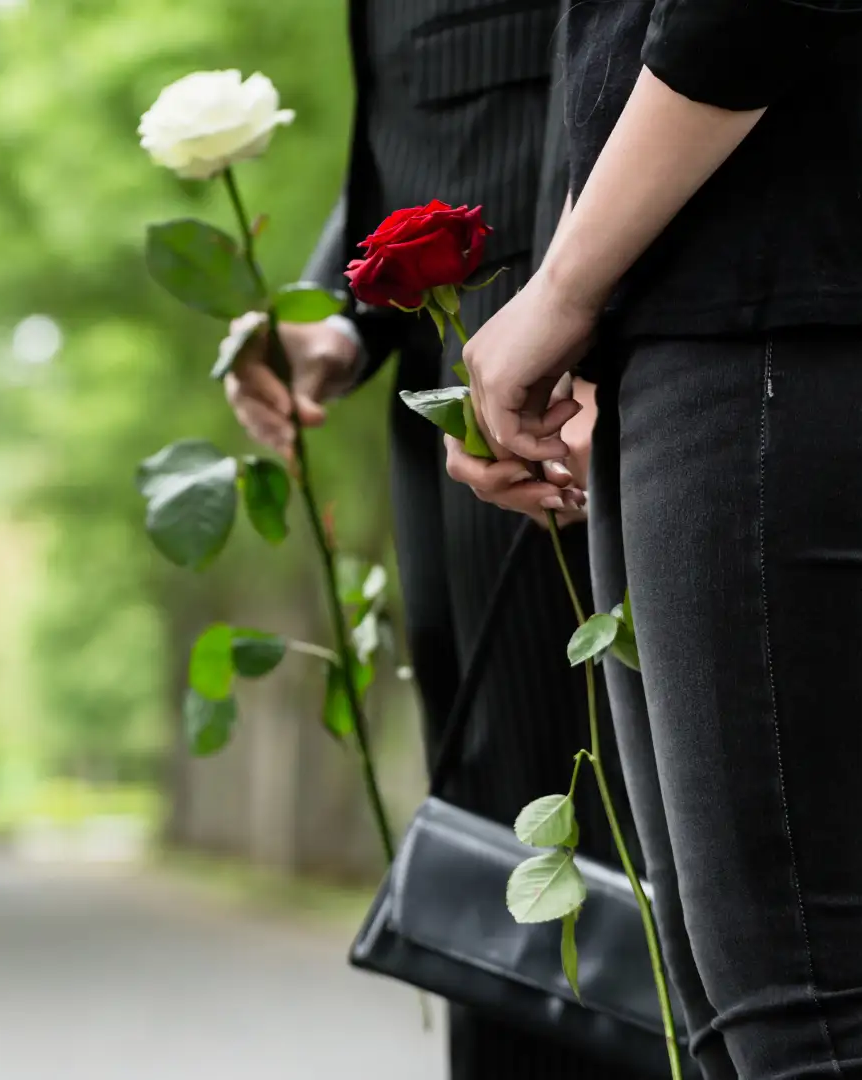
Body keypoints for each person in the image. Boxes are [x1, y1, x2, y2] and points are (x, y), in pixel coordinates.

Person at [446, 3, 862, 1077]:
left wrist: (571, 287)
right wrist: (581, 295)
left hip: (787, 303)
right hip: (714, 317)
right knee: (740, 1023)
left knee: (812, 1027)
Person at [221, 2, 657, 1077]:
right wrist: (347, 312)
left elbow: (640, 46)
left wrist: (601, 324)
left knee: (618, 909)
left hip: (580, 403)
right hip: (457, 416)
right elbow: (421, 119)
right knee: (509, 892)